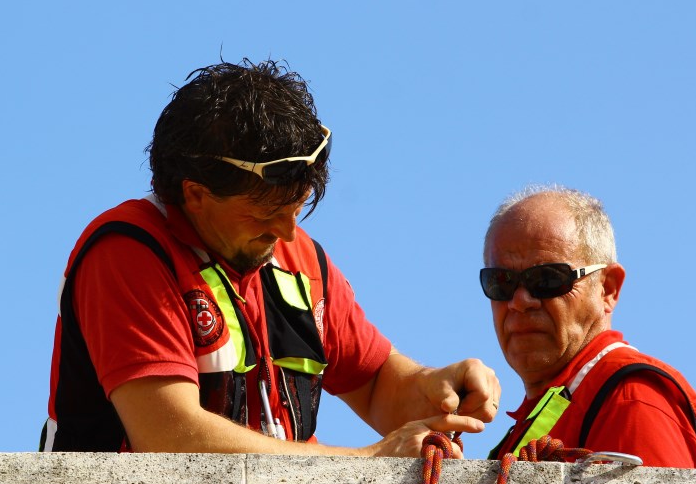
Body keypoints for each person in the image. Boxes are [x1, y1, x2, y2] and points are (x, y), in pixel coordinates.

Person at [40, 58, 500, 457]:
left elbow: (377, 384)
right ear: (195, 194)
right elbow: (170, 435)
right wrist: (368, 462)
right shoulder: (127, 252)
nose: (286, 232)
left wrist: (438, 389)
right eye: (265, 215)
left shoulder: (298, 257)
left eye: (296, 209)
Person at [480, 186, 696, 468]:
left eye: (546, 279)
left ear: (608, 288)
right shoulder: (549, 409)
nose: (519, 301)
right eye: (501, 282)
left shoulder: (632, 397)